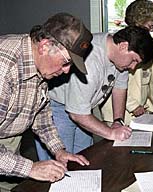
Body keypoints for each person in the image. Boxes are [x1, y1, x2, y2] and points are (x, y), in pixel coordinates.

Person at [0, 12, 93, 191]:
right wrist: (31, 167)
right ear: (45, 46)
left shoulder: (39, 64)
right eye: (66, 62)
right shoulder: (4, 69)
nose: (66, 71)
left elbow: (40, 116)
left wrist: (59, 150)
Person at [35, 26, 153, 160]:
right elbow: (77, 114)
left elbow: (119, 87)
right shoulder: (90, 60)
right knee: (60, 165)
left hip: (84, 109)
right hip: (58, 109)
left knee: (85, 158)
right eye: (134, 60)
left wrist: (118, 121)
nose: (133, 68)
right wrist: (111, 133)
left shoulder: (118, 58)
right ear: (123, 46)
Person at [101, 0, 153, 125]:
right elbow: (114, 82)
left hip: (141, 111)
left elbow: (148, 83)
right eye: (151, 25)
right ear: (140, 20)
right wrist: (133, 106)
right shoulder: (123, 46)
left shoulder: (145, 44)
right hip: (121, 112)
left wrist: (152, 107)